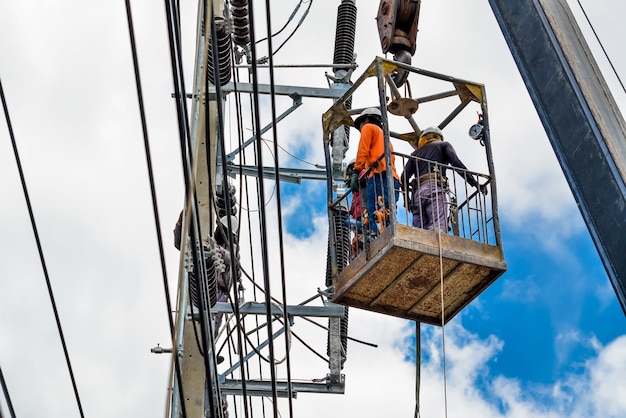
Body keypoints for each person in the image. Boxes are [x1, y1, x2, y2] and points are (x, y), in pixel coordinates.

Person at [401, 126, 487, 232]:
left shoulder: (415, 154)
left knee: (419, 232)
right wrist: (475, 183)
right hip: (434, 188)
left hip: (417, 194)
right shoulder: (443, 145)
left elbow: (404, 177)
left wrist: (407, 199)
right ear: (438, 137)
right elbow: (457, 164)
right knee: (438, 228)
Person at [352, 107, 401, 236]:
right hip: (392, 178)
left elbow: (363, 150)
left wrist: (356, 171)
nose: (361, 128)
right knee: (387, 210)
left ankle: (380, 237)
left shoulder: (368, 128)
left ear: (367, 119)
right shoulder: (385, 137)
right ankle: (389, 234)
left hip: (378, 176)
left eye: (361, 123)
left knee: (376, 212)